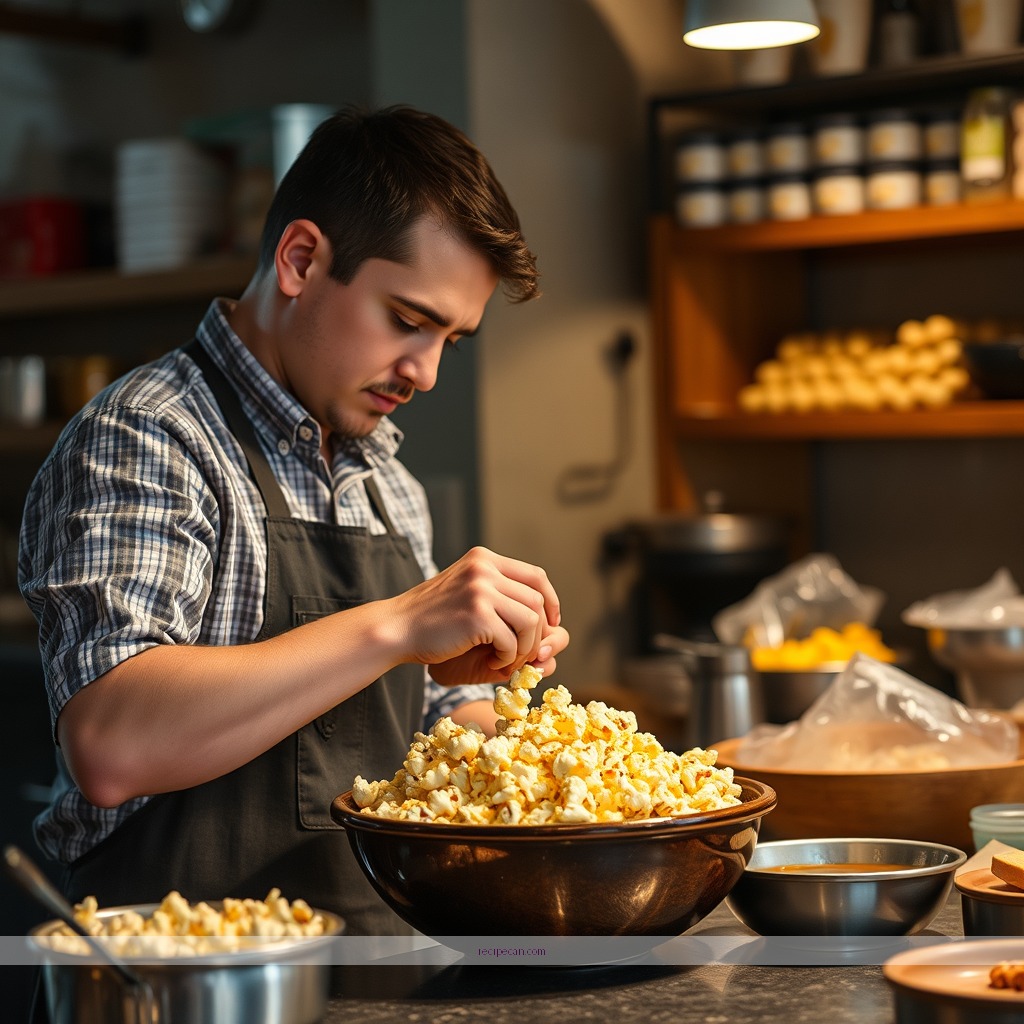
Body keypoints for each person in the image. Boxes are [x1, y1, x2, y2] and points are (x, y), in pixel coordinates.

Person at [18, 105, 570, 937]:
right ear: (301, 259)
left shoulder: (387, 479)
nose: (423, 371)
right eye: (408, 320)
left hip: (378, 972)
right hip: (186, 981)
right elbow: (111, 742)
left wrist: (500, 722)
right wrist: (397, 624)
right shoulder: (147, 436)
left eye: (450, 341)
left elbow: (413, 735)